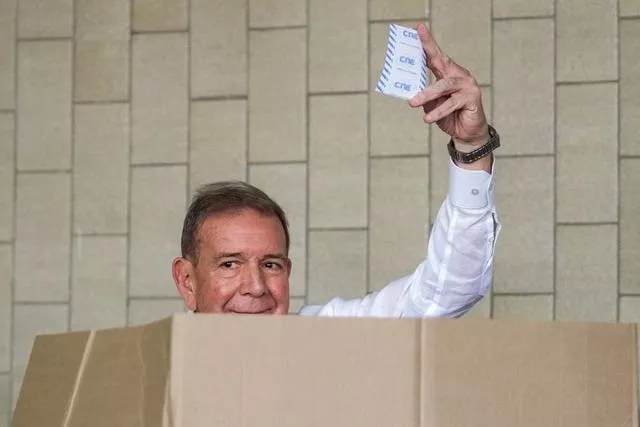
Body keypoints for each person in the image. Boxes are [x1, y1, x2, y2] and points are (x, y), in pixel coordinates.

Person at [171, 23, 501, 318]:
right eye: (230, 264)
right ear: (187, 281)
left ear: (288, 271)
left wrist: (471, 147)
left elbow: (442, 295)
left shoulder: (322, 337)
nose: (256, 287)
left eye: (270, 264)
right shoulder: (144, 370)